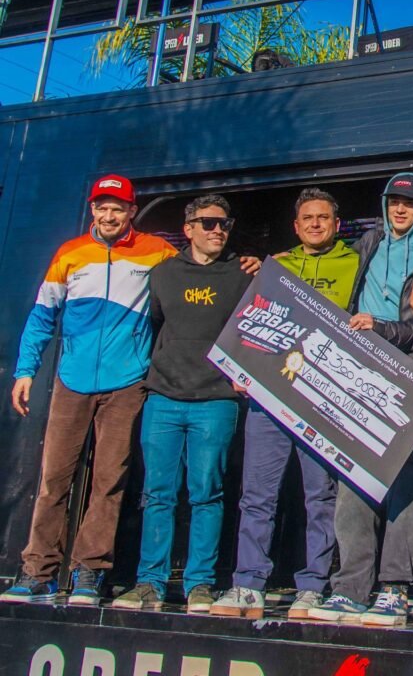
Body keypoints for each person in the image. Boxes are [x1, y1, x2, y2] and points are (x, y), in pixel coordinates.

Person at [1, 176, 179, 605]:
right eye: (102, 206)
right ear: (93, 209)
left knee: (109, 481)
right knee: (53, 479)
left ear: (132, 211)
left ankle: (89, 571)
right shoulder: (70, 253)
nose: (109, 215)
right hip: (72, 380)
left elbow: (199, 271)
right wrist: (25, 372)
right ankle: (38, 571)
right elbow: (42, 315)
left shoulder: (157, 250)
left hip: (127, 382)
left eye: (118, 207)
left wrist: (245, 265)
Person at [309, 173, 413, 627]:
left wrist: (385, 328)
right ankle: (350, 588)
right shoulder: (366, 245)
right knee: (354, 476)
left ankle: (394, 589)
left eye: (410, 203)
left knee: (409, 477)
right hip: (361, 368)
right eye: (394, 201)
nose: (400, 209)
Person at [211, 187, 359, 620]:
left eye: (323, 217)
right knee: (257, 495)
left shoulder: (356, 263)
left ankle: (312, 587)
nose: (315, 223)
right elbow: (252, 318)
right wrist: (241, 369)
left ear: (337, 225)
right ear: (296, 226)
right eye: (307, 218)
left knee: (321, 498)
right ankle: (248, 584)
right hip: (269, 397)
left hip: (322, 398)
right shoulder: (275, 266)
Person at [110, 195, 252, 614]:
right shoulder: (163, 274)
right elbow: (152, 325)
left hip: (216, 400)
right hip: (164, 399)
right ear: (188, 229)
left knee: (207, 494)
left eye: (224, 224)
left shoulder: (244, 274)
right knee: (157, 494)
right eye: (208, 223)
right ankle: (149, 582)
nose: (218, 230)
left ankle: (200, 584)